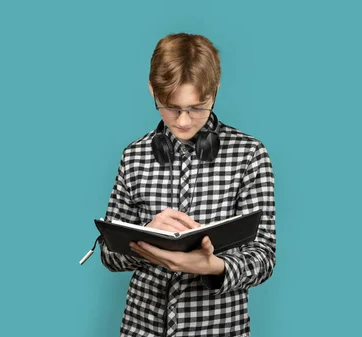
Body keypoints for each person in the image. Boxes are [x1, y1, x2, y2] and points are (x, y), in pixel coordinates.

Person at [98, 32, 276, 337]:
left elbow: (264, 256)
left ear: (215, 91)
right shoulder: (133, 156)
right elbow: (108, 255)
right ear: (152, 91)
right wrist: (146, 237)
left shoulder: (250, 155)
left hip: (218, 329)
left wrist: (213, 266)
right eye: (170, 107)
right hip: (140, 327)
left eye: (196, 107)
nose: (182, 120)